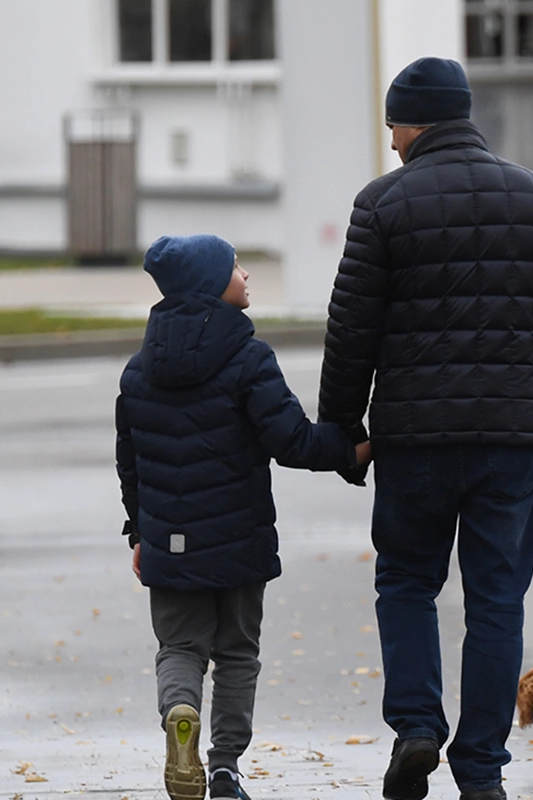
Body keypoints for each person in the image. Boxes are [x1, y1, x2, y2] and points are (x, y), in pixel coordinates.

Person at [318, 57, 533, 800]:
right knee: (496, 601)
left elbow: (350, 330)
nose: (390, 142)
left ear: (417, 124)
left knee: (407, 582)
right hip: (510, 442)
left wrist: (342, 429)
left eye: (393, 125)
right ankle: (481, 767)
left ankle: (417, 728)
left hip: (414, 442)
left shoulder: (381, 206)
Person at [116, 234, 372, 800]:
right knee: (236, 654)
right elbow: (290, 439)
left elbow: (130, 463)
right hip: (238, 542)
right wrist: (353, 450)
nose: (247, 275)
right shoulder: (246, 358)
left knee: (180, 649)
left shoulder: (138, 371)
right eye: (235, 267)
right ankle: (226, 766)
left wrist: (140, 532)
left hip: (169, 542)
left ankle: (180, 710)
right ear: (212, 283)